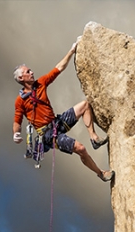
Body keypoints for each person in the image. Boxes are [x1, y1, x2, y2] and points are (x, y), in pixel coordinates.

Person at [12, 39, 114, 182]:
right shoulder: (20, 101)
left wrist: (71, 51)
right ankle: (101, 173)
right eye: (28, 71)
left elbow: (59, 68)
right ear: (21, 77)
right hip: (47, 134)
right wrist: (16, 133)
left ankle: (94, 138)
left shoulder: (40, 83)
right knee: (81, 149)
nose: (32, 72)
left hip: (56, 122)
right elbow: (17, 120)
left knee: (84, 105)